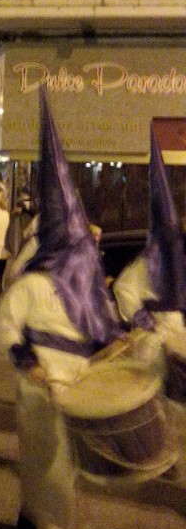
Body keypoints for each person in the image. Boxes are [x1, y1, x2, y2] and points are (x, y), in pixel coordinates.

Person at [0, 88, 124, 529]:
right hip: (41, 392)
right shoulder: (29, 285)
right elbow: (3, 328)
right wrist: (29, 364)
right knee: (56, 471)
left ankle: (29, 517)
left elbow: (102, 332)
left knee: (52, 470)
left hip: (81, 389)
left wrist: (114, 346)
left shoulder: (91, 288)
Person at [113, 126, 186, 407]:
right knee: (148, 398)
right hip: (152, 341)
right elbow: (123, 289)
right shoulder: (147, 263)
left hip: (178, 336)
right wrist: (143, 319)